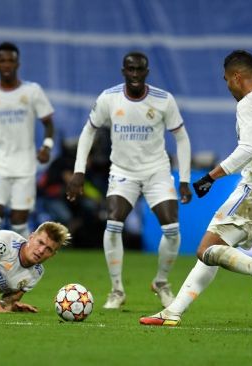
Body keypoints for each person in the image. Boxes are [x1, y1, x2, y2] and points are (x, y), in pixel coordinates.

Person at [140, 50, 252, 327]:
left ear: (237, 76)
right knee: (217, 250)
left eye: (226, 80)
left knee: (206, 249)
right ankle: (173, 312)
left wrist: (211, 176)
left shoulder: (249, 104)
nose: (228, 87)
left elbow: (247, 149)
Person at [66, 51, 192, 309]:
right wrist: (79, 171)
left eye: (139, 70)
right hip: (123, 172)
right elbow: (88, 131)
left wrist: (185, 178)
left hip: (156, 171)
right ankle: (116, 290)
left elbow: (182, 138)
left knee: (172, 228)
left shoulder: (163, 100)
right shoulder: (109, 98)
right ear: (123, 71)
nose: (135, 74)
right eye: (130, 69)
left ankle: (161, 282)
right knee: (113, 222)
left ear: (147, 72)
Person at [0, 41, 55, 239]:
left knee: (19, 223)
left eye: (10, 61)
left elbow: (48, 123)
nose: (6, 65)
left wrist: (47, 147)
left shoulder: (32, 92)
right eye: (2, 61)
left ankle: (20, 268)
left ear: (18, 64)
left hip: (24, 166)